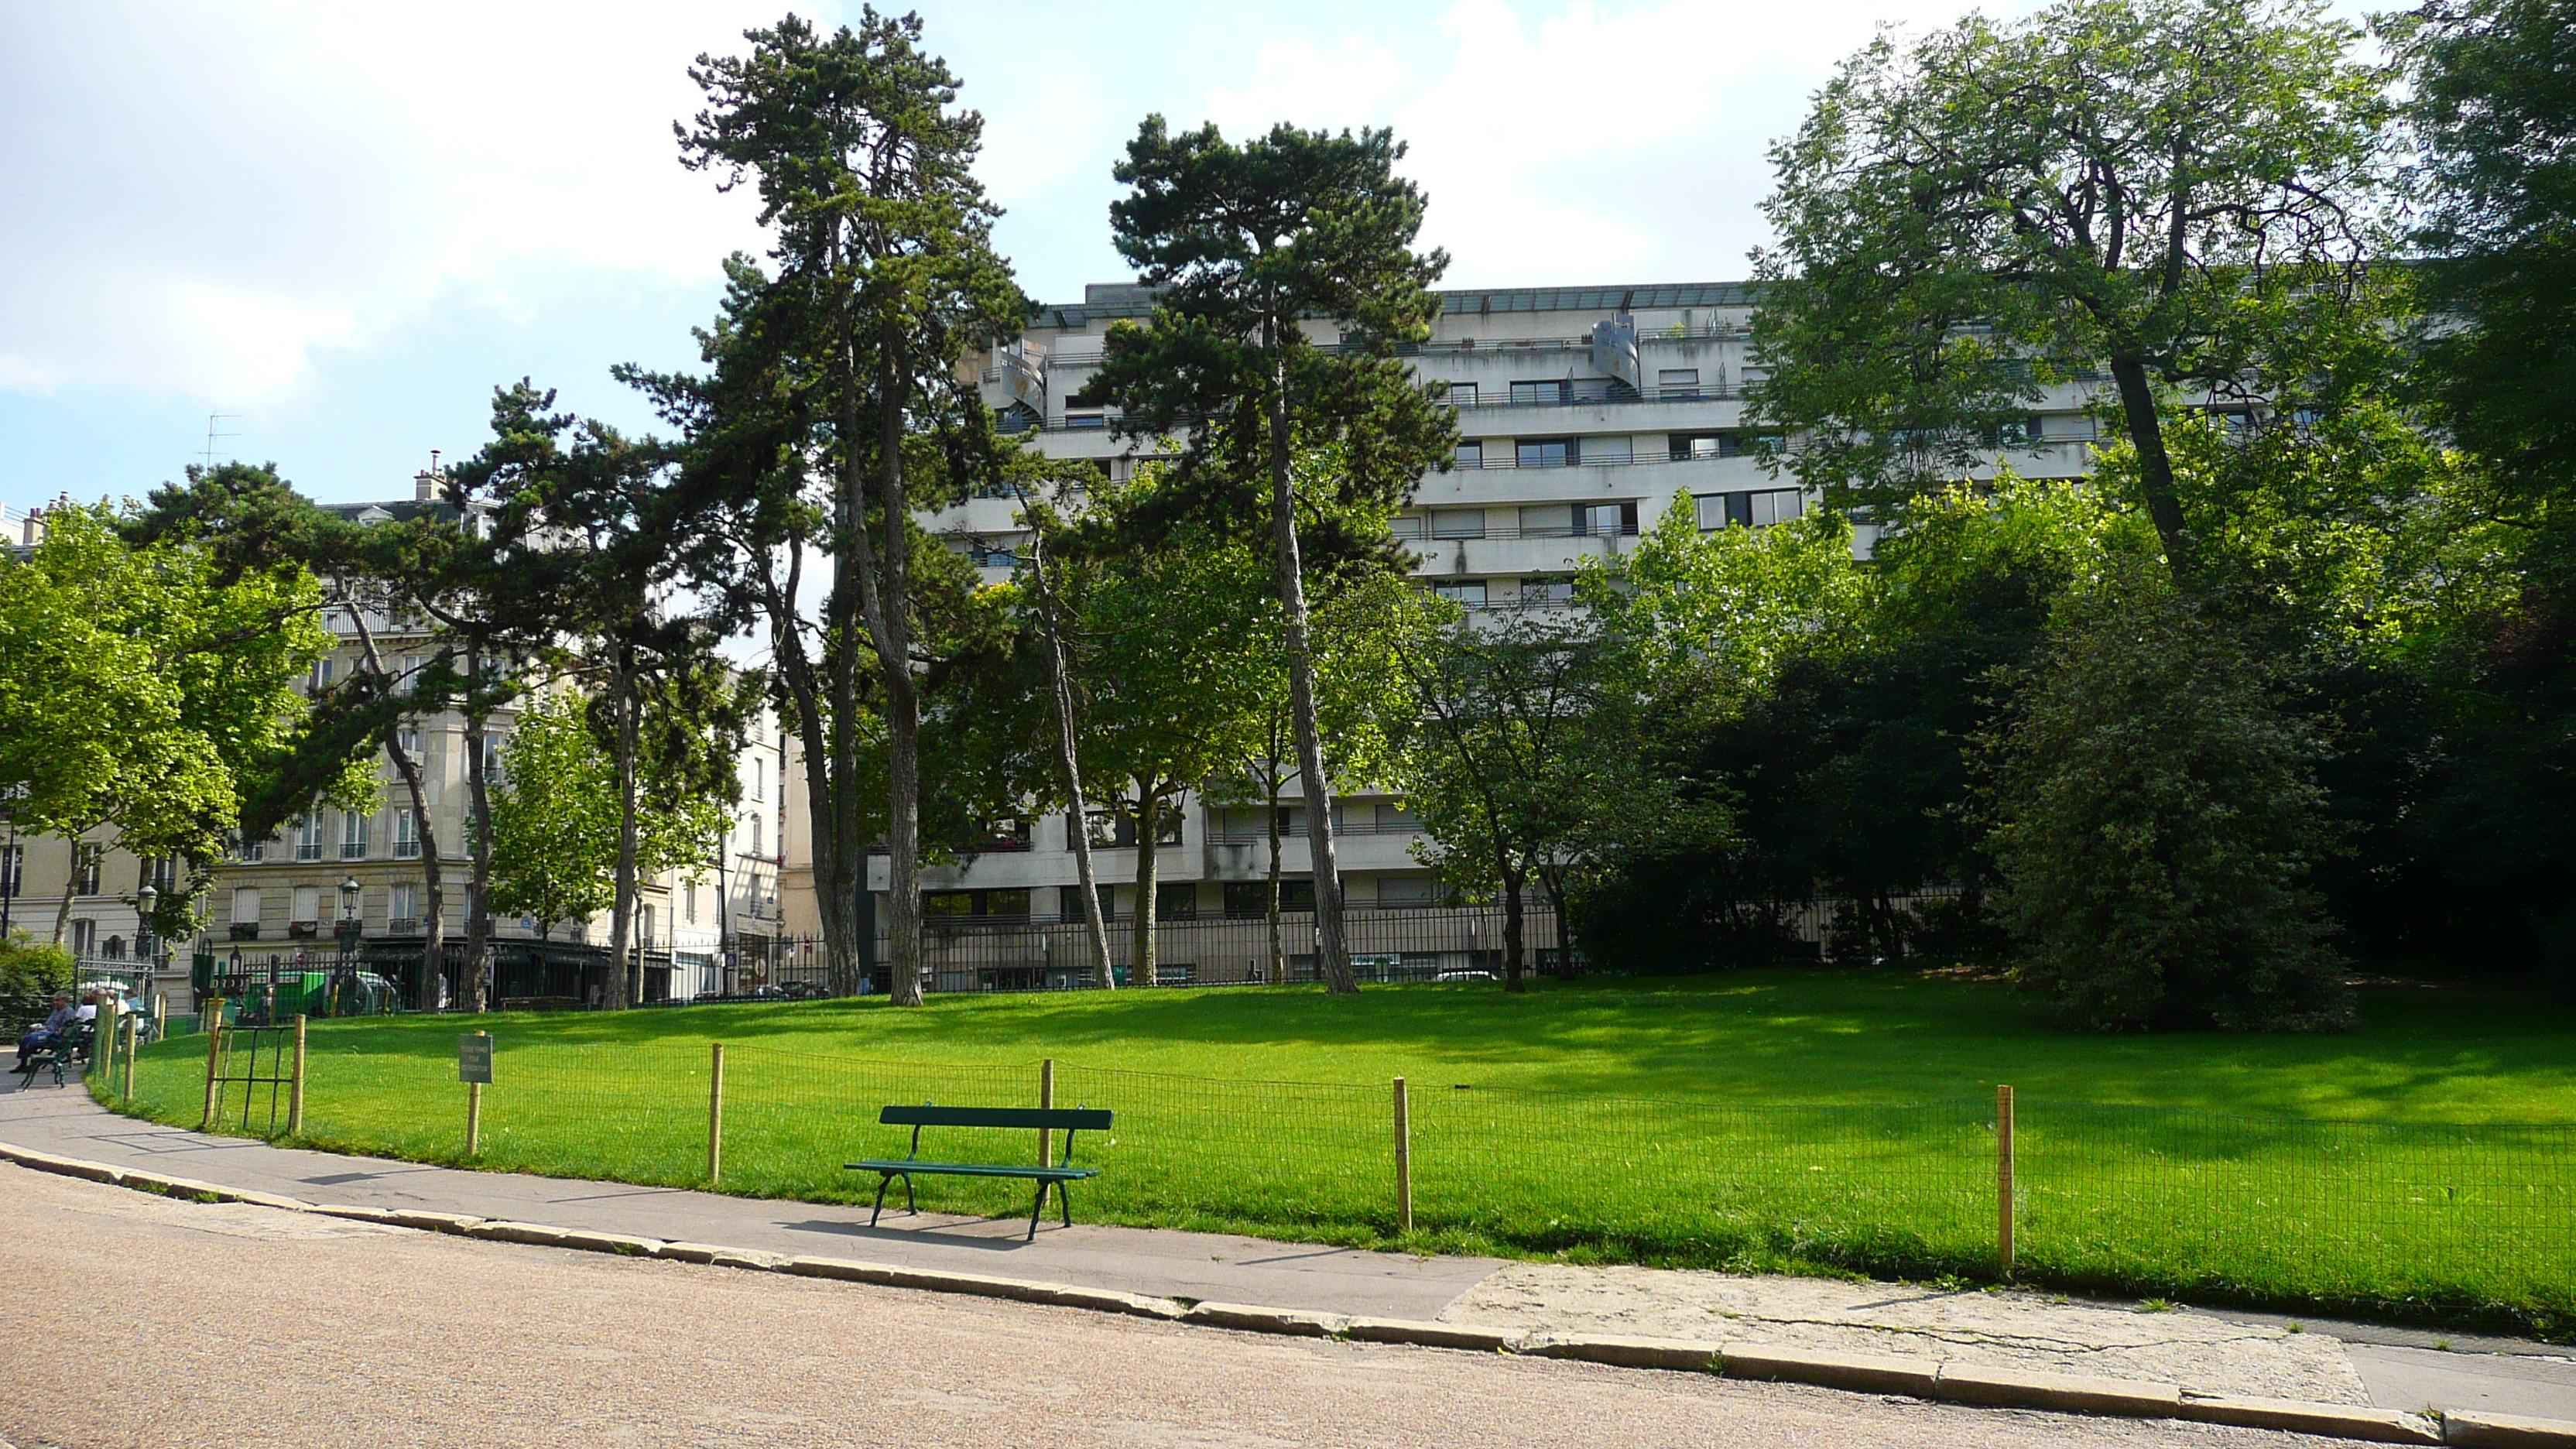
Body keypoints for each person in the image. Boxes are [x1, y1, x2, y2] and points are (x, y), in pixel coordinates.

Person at [15, 993, 76, 1077]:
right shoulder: (56, 1010)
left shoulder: (68, 1012)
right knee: (25, 1038)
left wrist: (50, 1030)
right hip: (47, 1031)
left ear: (64, 1000)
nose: (55, 1002)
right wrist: (42, 1027)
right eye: (54, 1000)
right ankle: (23, 1064)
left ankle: (30, 1064)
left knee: (31, 1038)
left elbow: (65, 1027)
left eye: (57, 1000)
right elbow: (49, 1023)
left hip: (54, 1035)